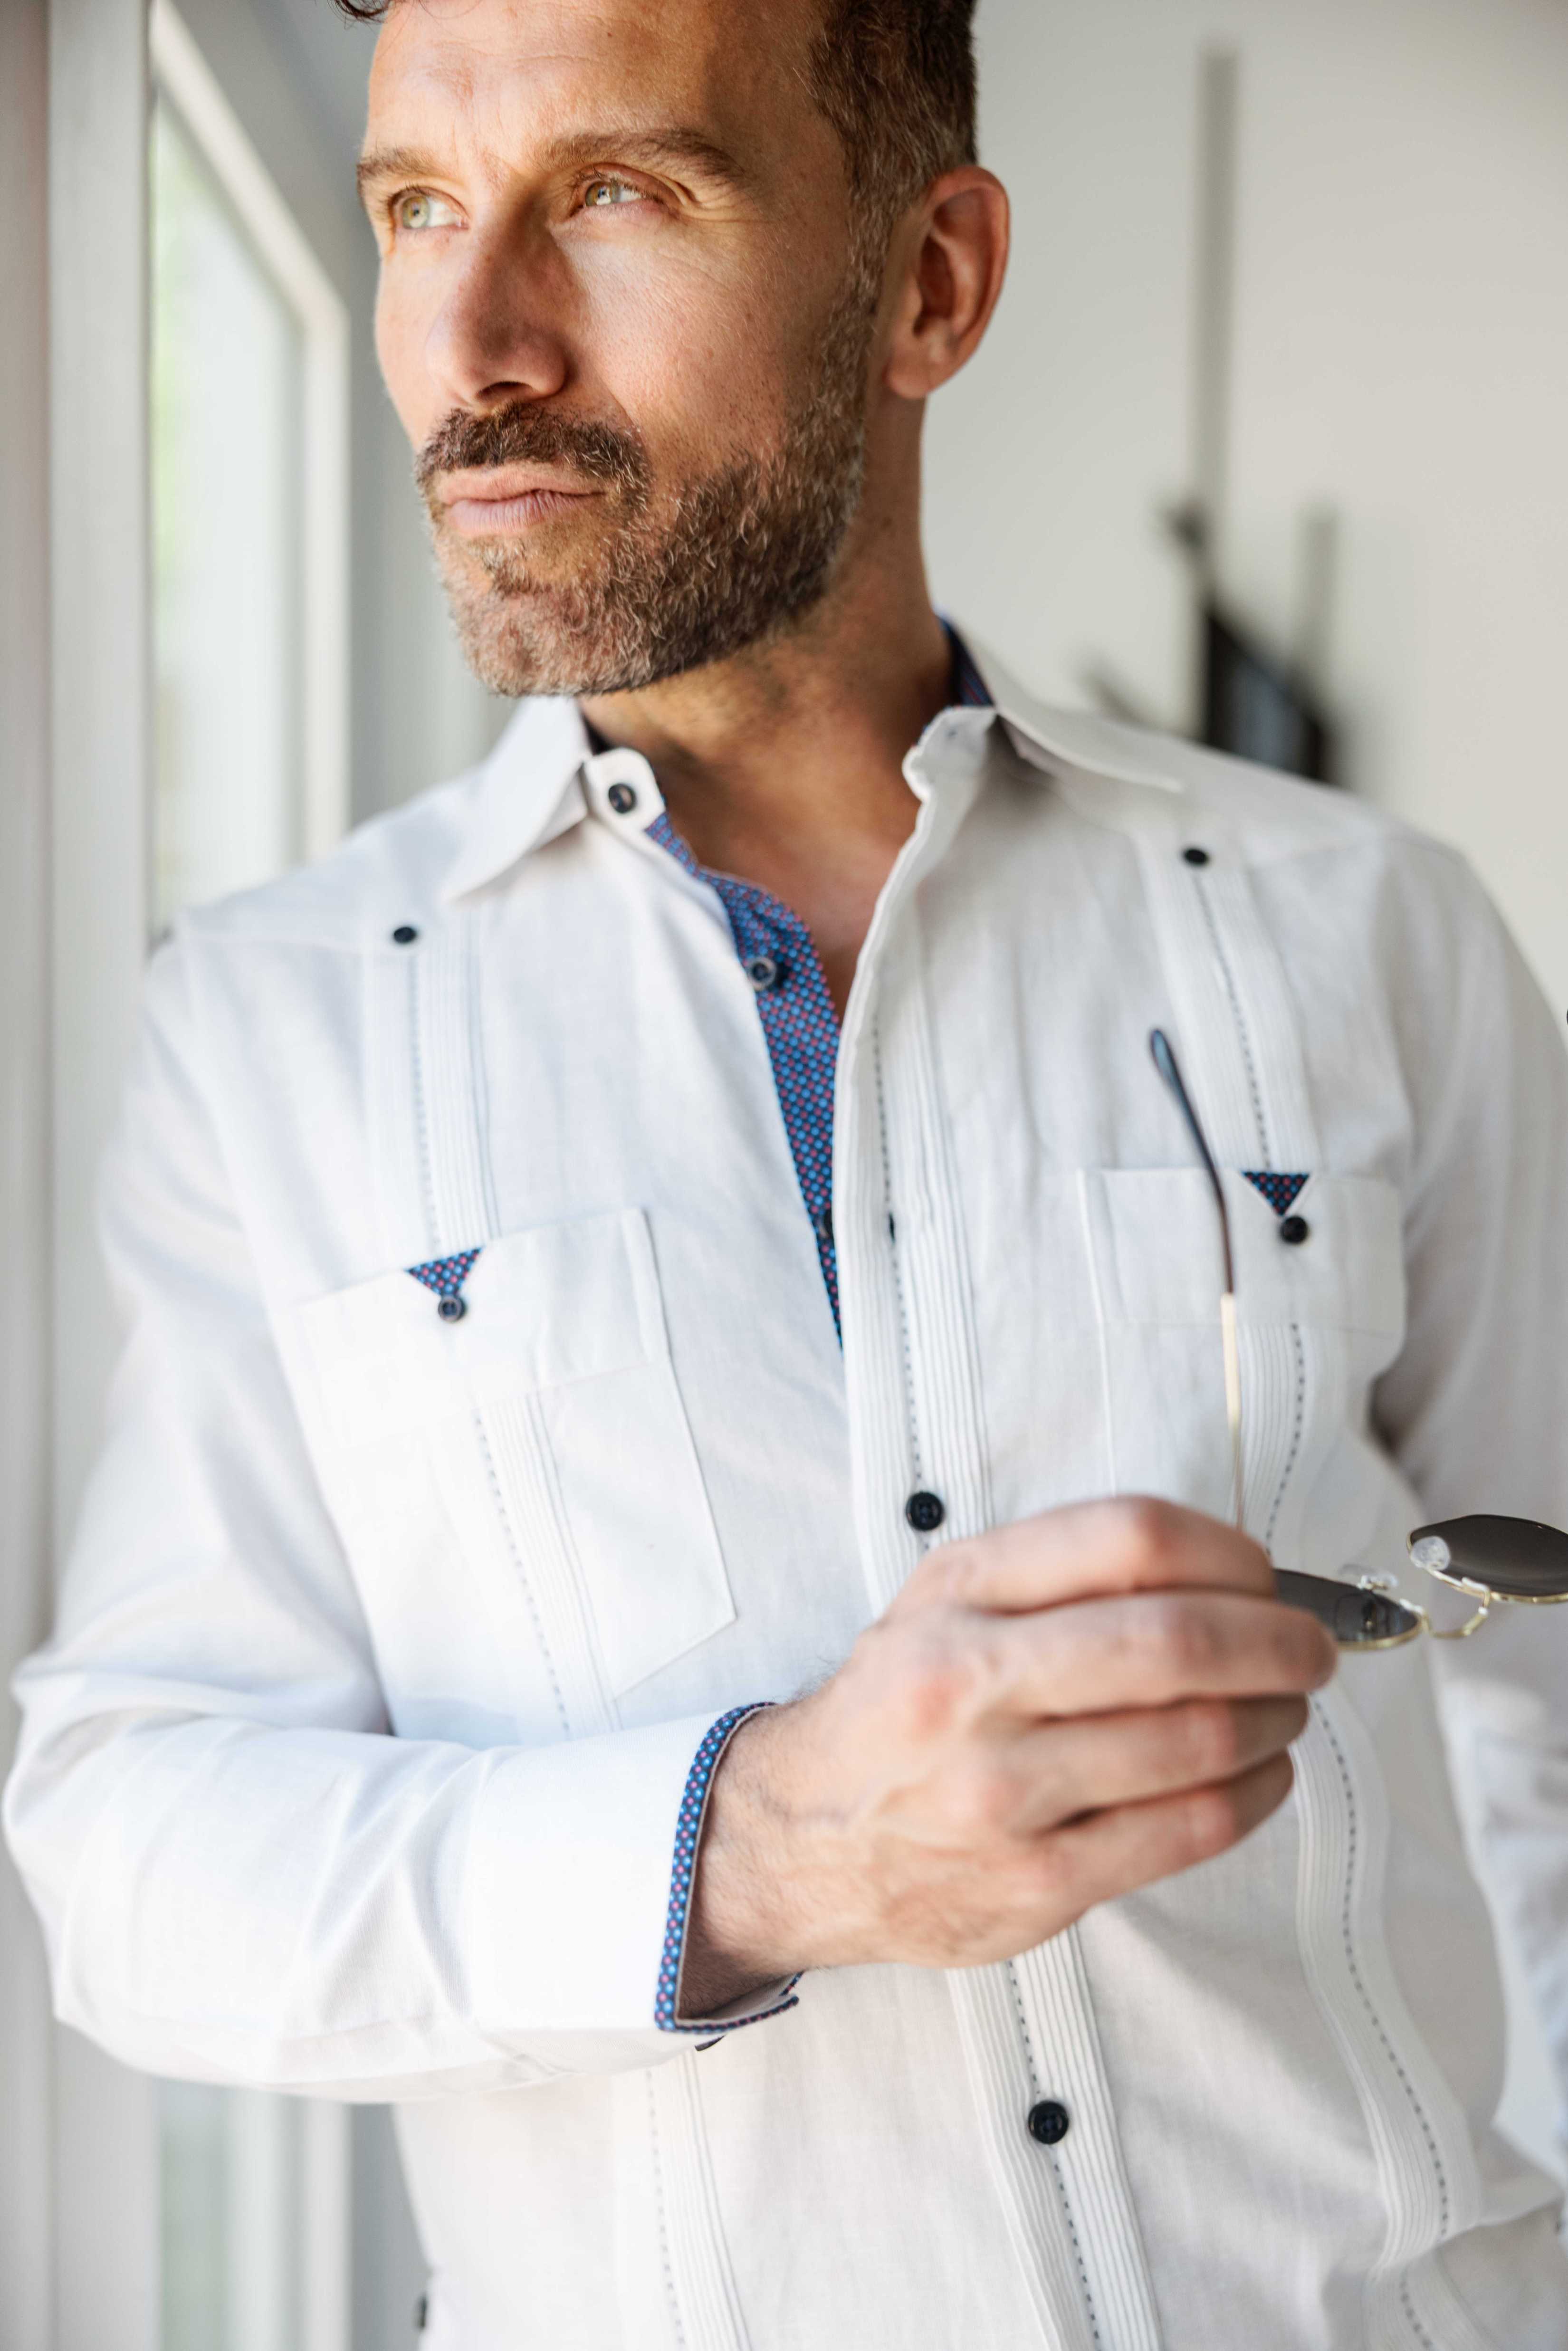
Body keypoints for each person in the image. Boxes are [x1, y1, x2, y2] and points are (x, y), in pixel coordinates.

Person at [8, 0, 1568, 2341]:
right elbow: (129, 1861)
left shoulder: (1372, 925)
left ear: (931, 282)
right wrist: (762, 1845)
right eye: (419, 208)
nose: (477, 341)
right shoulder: (269, 1024)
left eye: (618, 195)